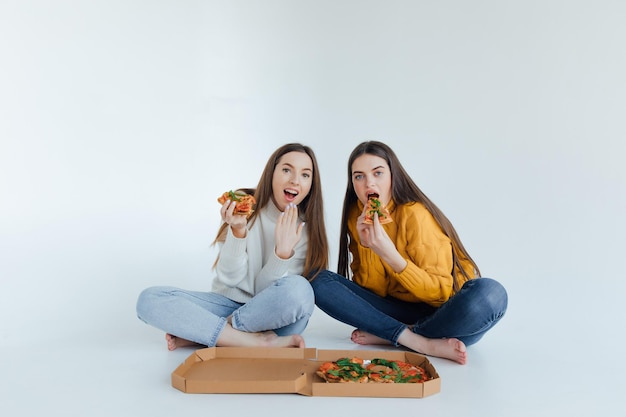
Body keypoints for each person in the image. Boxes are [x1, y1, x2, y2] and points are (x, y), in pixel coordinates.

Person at [310, 141, 507, 364]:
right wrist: (369, 248)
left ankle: (397, 334)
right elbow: (374, 292)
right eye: (359, 176)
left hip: (446, 312)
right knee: (317, 279)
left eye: (378, 173)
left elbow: (441, 293)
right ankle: (418, 341)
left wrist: (391, 256)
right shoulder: (357, 215)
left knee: (491, 294)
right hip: (397, 309)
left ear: (393, 175)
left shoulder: (415, 214)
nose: (368, 183)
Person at [137, 143, 329, 350]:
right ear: (272, 173)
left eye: (305, 175)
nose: (294, 180)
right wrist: (238, 232)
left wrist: (282, 254)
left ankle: (210, 334)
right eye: (286, 170)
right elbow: (230, 278)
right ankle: (254, 341)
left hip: (270, 316)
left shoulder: (306, 229)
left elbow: (270, 297)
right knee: (149, 299)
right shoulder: (242, 207)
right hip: (226, 303)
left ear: (311, 184)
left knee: (302, 291)